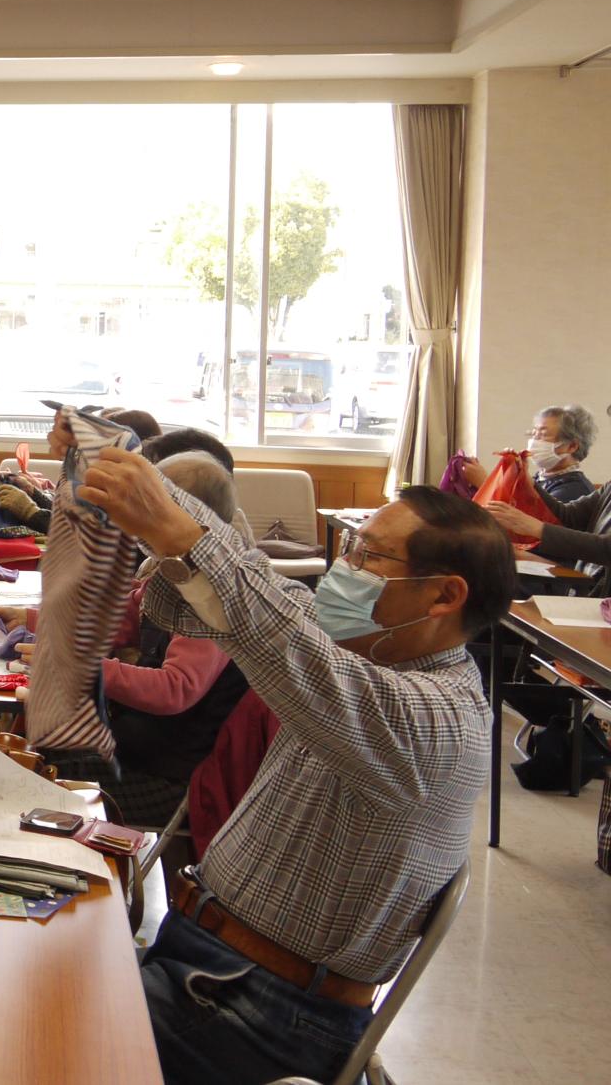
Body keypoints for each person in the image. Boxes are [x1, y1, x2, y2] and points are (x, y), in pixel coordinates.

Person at [78, 446, 511, 1085]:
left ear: (444, 596)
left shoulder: (438, 719)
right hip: (214, 969)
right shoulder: (374, 660)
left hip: (261, 1014)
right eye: (353, 547)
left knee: (20, 1015)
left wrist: (180, 530)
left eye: (368, 556)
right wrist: (151, 504)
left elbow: (273, 629)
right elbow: (238, 591)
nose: (346, 568)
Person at [0, 452, 248, 825]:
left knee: (18, 788)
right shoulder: (170, 569)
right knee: (24, 753)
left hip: (168, 778)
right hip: (133, 748)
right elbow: (120, 621)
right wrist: (38, 622)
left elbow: (174, 688)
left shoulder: (215, 594)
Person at [462, 405, 598, 506]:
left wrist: (484, 483)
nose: (534, 442)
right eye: (534, 434)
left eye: (543, 435)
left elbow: (525, 524)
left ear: (572, 446)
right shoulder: (540, 479)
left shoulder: (575, 490)